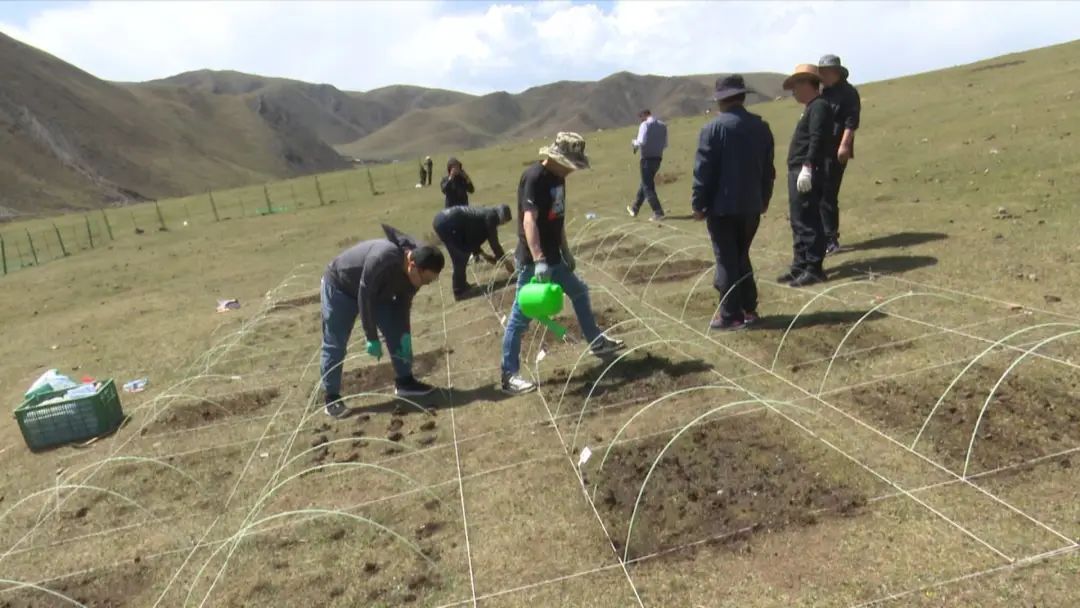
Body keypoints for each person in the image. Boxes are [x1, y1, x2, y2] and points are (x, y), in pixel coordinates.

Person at [500, 132, 625, 395]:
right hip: (535, 262)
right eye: (571, 164)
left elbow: (557, 217)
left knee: (579, 291)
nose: (573, 170)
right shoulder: (534, 178)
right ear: (557, 158)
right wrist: (539, 260)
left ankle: (596, 341)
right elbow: (529, 221)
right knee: (520, 317)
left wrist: (566, 251)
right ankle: (509, 375)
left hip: (554, 256)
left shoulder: (559, 179)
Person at [320, 225, 445, 418]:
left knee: (397, 329)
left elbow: (402, 307)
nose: (425, 285)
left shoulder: (416, 273)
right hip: (341, 287)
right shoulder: (383, 258)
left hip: (377, 292)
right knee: (336, 342)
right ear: (413, 266)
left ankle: (405, 382)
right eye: (426, 280)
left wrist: (403, 334)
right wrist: (372, 337)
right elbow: (365, 296)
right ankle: (331, 398)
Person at [691, 75, 776, 331]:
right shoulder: (761, 127)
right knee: (740, 256)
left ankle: (730, 314)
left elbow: (703, 171)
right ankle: (749, 308)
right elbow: (768, 170)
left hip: (722, 207)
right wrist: (764, 198)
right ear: (742, 97)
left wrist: (698, 203)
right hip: (751, 205)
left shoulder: (712, 130)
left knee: (727, 259)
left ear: (720, 100)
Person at [779, 64, 835, 287]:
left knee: (807, 218)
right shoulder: (811, 107)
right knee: (798, 219)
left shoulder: (819, 106)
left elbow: (817, 138)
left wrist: (808, 167)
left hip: (807, 171)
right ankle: (800, 264)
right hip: (799, 170)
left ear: (806, 83)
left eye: (796, 86)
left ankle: (813, 267)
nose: (793, 91)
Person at [818, 54, 862, 254]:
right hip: (821, 148)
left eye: (825, 72)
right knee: (819, 192)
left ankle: (830, 239)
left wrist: (844, 146)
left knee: (828, 193)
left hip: (836, 149)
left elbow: (851, 122)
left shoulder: (848, 93)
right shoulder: (825, 93)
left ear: (835, 72)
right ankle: (822, 236)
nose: (822, 75)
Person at [432, 204, 515, 300]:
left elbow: (472, 239)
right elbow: (494, 244)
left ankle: (462, 284)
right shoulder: (491, 217)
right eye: (504, 222)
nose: (501, 225)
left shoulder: (485, 214)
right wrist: (505, 262)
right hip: (447, 223)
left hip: (445, 220)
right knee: (460, 256)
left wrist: (485, 255)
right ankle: (459, 291)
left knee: (463, 252)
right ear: (502, 216)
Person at [626, 109, 668, 221]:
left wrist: (634, 142)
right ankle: (635, 208)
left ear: (644, 116)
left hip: (647, 159)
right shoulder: (663, 126)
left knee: (648, 187)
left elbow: (641, 141)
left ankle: (658, 211)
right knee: (645, 183)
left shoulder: (645, 125)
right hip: (658, 158)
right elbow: (665, 144)